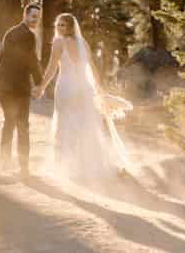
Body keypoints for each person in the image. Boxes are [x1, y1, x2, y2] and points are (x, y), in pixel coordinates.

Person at [36, 13, 133, 182]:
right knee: (86, 126)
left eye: (63, 25)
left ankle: (69, 168)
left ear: (70, 27)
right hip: (84, 88)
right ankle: (89, 166)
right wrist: (99, 89)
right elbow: (92, 68)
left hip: (66, 88)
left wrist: (41, 87)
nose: (59, 28)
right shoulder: (83, 43)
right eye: (57, 25)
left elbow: (52, 67)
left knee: (66, 125)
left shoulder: (59, 42)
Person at [0, 3, 44, 178]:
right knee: (22, 126)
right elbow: (31, 60)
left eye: (38, 18)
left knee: (9, 123)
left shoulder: (10, 32)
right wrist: (39, 83)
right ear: (25, 15)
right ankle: (23, 169)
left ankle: (4, 164)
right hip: (17, 87)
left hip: (3, 86)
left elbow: (1, 58)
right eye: (33, 17)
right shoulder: (28, 35)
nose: (36, 20)